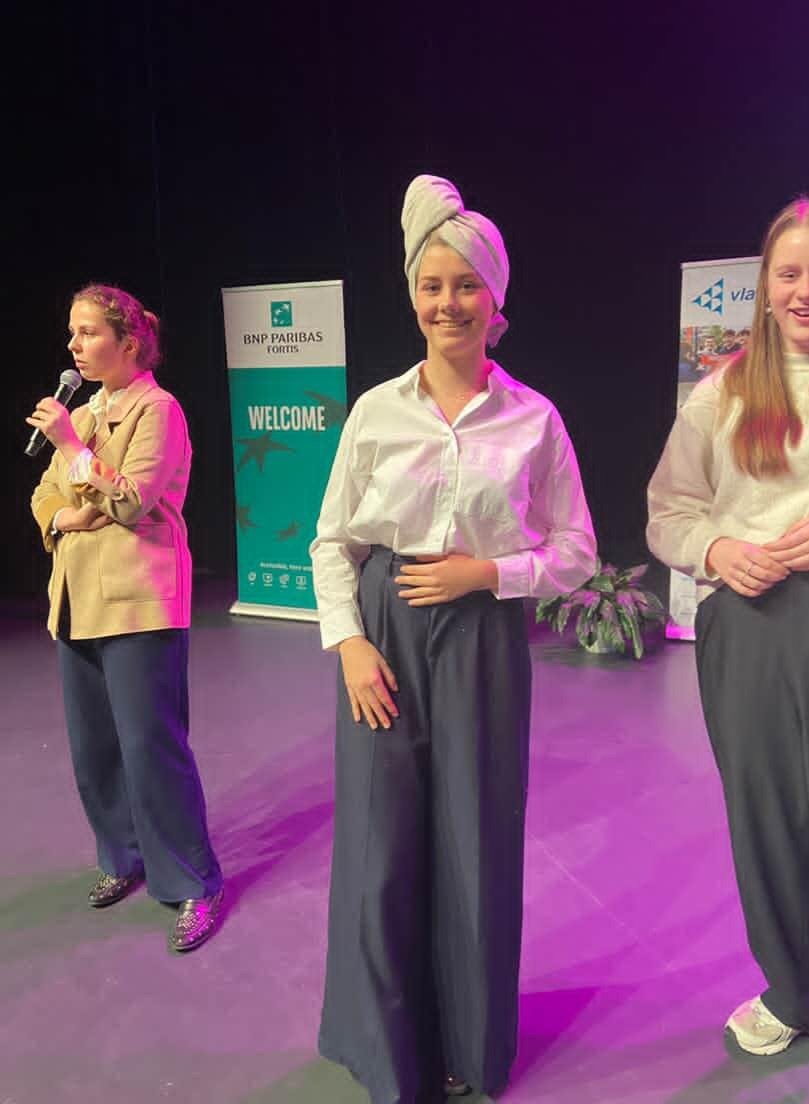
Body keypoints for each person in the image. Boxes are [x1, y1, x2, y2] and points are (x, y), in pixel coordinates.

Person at [311, 175, 597, 1102]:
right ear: (412, 297)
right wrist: (350, 644)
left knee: (475, 839)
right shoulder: (375, 411)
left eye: (466, 285)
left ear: (494, 297)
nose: (448, 303)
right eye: (431, 286)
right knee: (379, 843)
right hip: (385, 636)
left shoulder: (533, 418)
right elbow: (332, 541)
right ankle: (386, 1048)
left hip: (481, 639)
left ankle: (469, 1047)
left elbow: (576, 552)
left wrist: (488, 575)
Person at [647, 196, 809, 1055]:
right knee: (767, 815)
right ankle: (793, 986)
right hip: (749, 626)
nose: (802, 290)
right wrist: (715, 548)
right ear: (765, 286)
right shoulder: (725, 393)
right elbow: (668, 512)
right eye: (789, 273)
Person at [28, 284, 224, 953]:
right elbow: (44, 495)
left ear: (129, 342)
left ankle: (193, 881)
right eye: (73, 332)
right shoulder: (85, 413)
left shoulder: (157, 409)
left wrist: (72, 451)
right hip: (75, 600)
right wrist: (67, 514)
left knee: (151, 747)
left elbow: (133, 501)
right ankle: (123, 855)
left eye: (87, 332)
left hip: (138, 600)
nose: (74, 345)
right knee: (95, 750)